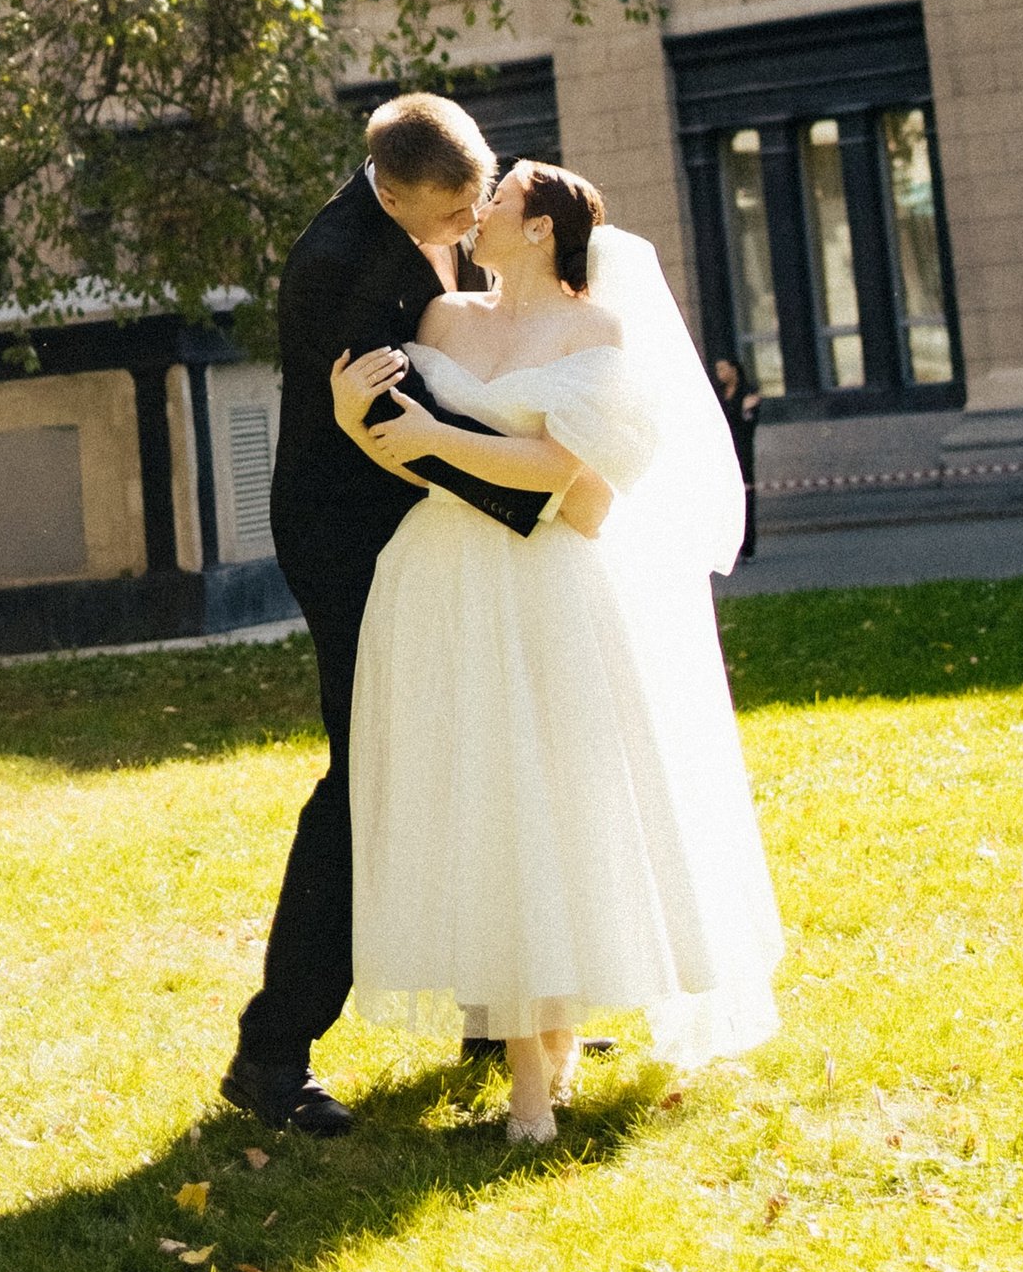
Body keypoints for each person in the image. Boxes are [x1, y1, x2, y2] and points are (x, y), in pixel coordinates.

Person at [335, 159, 783, 1143]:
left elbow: (580, 494)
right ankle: (536, 1053)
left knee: (556, 806)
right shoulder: (445, 321)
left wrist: (438, 443)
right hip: (441, 583)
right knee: (486, 806)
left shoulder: (597, 329)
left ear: (538, 226)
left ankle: (536, 1085)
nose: (477, 208)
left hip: (551, 587)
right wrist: (352, 420)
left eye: (495, 199)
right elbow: (397, 438)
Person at [221, 90, 495, 1138]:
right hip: (350, 541)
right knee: (367, 777)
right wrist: (543, 485)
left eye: (471, 212)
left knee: (467, 750)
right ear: (390, 191)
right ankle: (271, 1051)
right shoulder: (339, 256)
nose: (463, 234)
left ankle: (496, 1006)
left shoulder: (439, 212)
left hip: (430, 529)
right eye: (447, 219)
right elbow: (387, 423)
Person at [709, 352, 760, 561]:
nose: (719, 374)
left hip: (742, 451)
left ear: (734, 369)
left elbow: (747, 423)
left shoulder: (747, 393)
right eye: (717, 370)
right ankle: (728, 546)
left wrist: (743, 411)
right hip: (723, 452)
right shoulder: (719, 394)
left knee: (746, 498)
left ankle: (747, 545)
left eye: (722, 368)